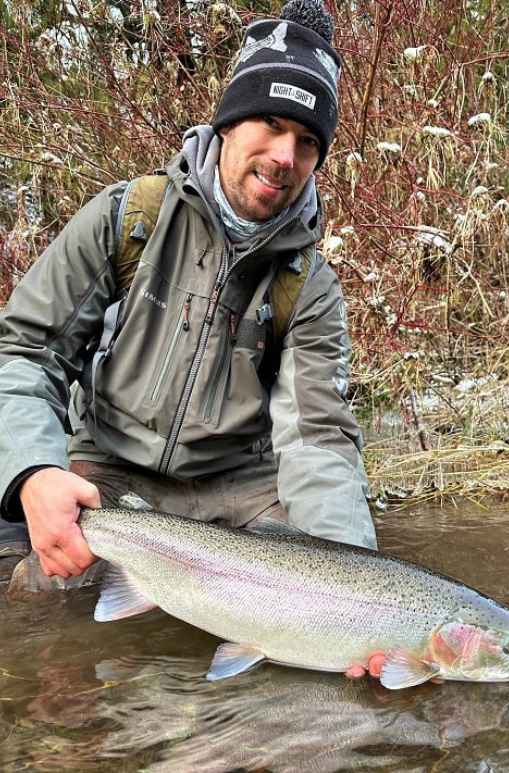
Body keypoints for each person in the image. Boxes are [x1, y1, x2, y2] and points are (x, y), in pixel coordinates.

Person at [0, 0, 377, 592]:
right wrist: (34, 472)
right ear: (230, 122)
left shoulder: (310, 288)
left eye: (307, 141)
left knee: (314, 628)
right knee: (40, 594)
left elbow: (316, 439)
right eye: (271, 124)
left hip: (241, 498)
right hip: (110, 473)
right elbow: (25, 353)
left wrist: (357, 588)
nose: (285, 156)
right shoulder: (127, 219)